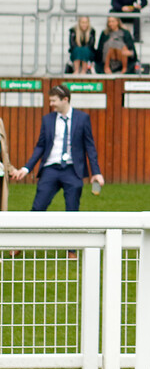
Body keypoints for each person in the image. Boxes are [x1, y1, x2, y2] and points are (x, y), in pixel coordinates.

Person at [9, 85, 105, 252]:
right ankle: (20, 244)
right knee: (38, 207)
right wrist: (26, 169)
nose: (51, 103)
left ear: (65, 99)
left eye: (53, 100)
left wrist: (96, 172)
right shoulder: (48, 120)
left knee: (72, 211)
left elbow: (90, 146)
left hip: (72, 170)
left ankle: (71, 250)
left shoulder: (83, 118)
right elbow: (40, 146)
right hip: (50, 169)